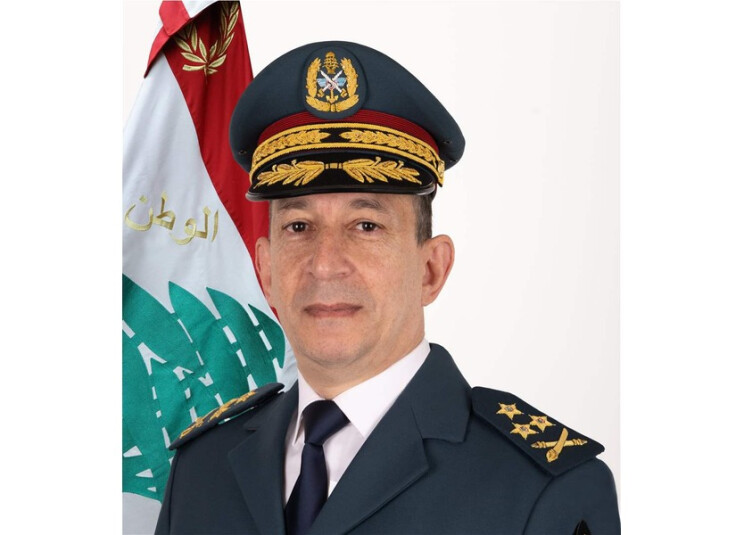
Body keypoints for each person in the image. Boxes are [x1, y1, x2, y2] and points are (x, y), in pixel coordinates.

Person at [155, 41, 620, 535]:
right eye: (299, 227)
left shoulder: (540, 489)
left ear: (431, 270)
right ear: (265, 271)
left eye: (366, 226)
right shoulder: (201, 469)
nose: (325, 264)